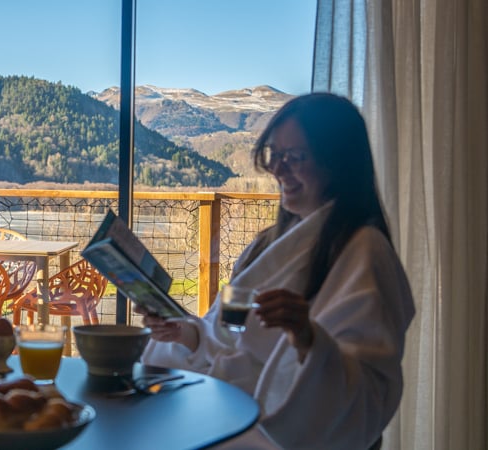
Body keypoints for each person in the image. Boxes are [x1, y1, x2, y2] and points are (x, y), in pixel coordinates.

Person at [139, 93, 415, 449]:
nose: (278, 169)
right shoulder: (267, 245)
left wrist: (308, 339)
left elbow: (368, 396)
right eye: (274, 154)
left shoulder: (365, 255)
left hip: (275, 432)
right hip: (232, 409)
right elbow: (232, 334)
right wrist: (186, 334)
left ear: (339, 163)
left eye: (295, 157)